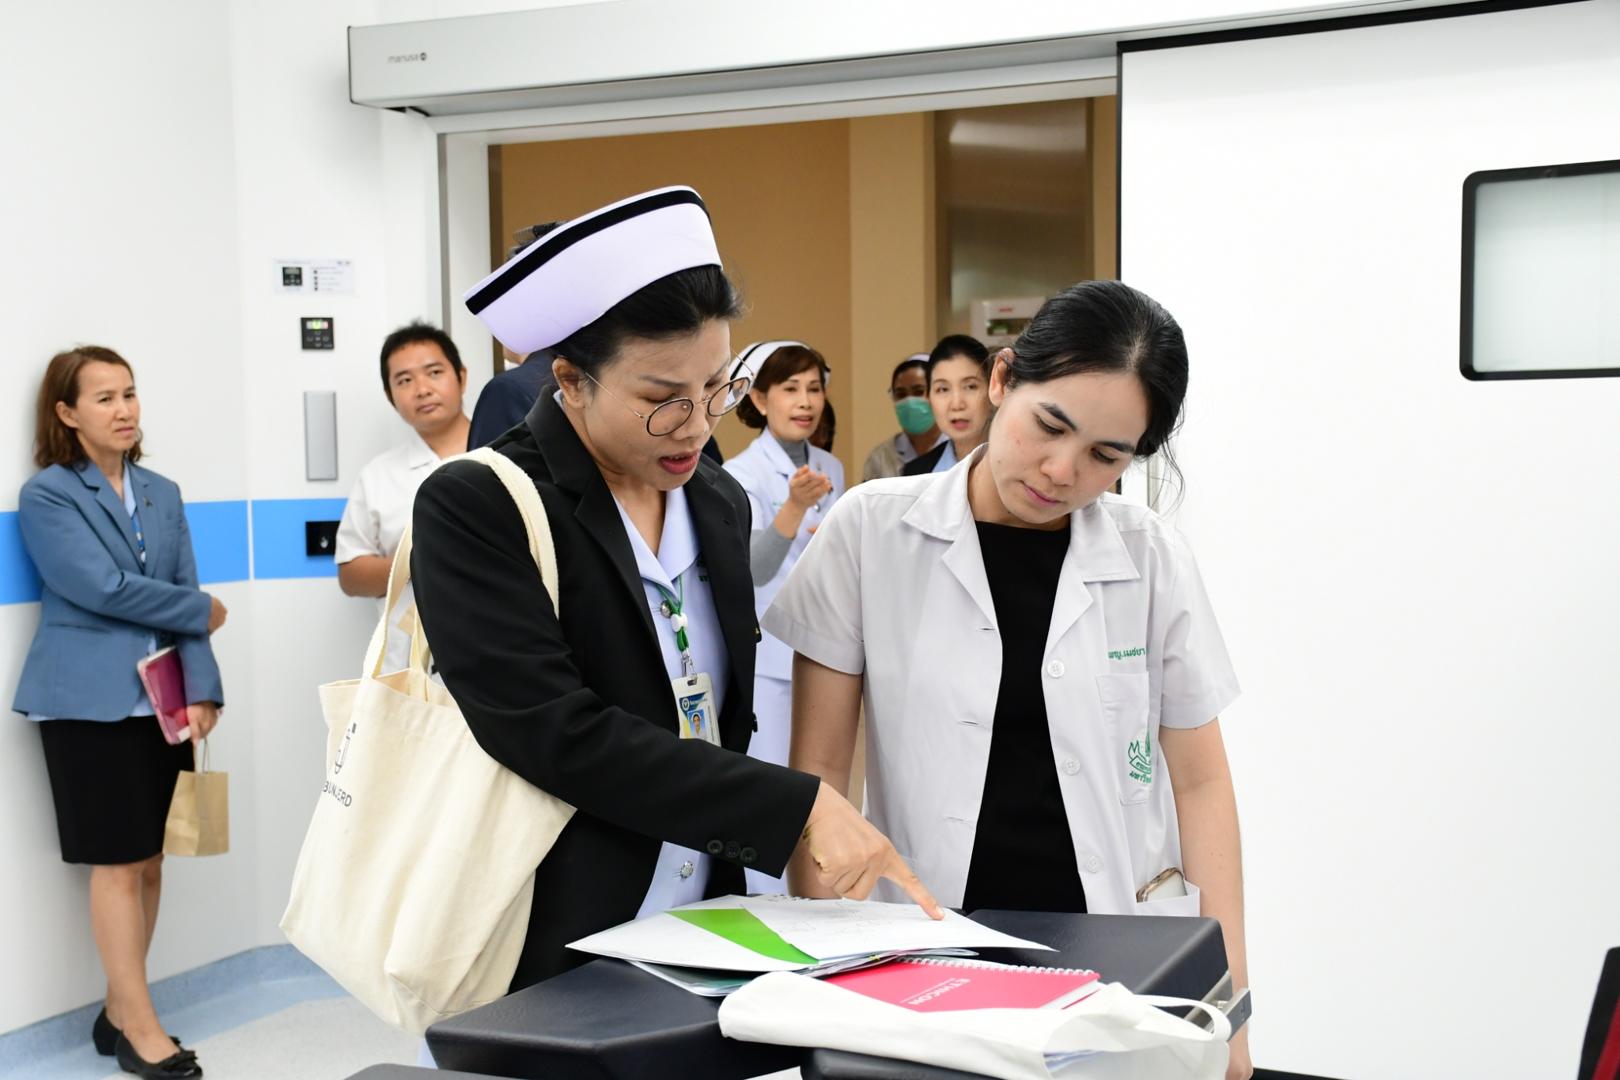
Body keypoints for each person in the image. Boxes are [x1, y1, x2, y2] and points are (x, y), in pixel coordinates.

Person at [411, 185, 940, 991]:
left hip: (706, 930)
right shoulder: (480, 503)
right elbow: (556, 734)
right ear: (571, 380)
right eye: (661, 401)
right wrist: (793, 805)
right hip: (550, 934)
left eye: (715, 389)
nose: (695, 426)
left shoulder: (716, 501)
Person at [767, 281, 1252, 1079]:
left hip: (1116, 958)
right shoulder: (871, 530)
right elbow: (819, 771)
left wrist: (1227, 1008)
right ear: (1002, 380)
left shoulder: (1150, 556)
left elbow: (1201, 786)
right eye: (1049, 426)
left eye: (1106, 456)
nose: (1062, 470)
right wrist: (826, 974)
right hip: (920, 957)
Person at [14, 347, 226, 1080]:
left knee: (154, 860)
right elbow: (98, 588)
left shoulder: (163, 492)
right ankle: (140, 1028)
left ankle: (118, 1007)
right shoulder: (47, 496)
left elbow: (183, 586)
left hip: (162, 703)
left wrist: (203, 688)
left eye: (129, 393)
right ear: (67, 413)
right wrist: (199, 609)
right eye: (103, 398)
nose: (124, 409)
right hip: (83, 703)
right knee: (116, 864)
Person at [721, 342, 844, 892]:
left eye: (814, 388)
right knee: (773, 778)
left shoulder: (830, 466)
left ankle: (818, 892)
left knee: (819, 780)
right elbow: (751, 569)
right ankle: (765, 895)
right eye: (790, 389)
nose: (805, 401)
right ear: (760, 398)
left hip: (825, 644)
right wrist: (793, 509)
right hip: (769, 653)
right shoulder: (740, 474)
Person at [335, 322, 472, 600]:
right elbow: (350, 575)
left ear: (461, 377)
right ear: (390, 396)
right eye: (405, 381)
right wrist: (420, 564)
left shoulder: (506, 452)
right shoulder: (378, 475)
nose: (422, 389)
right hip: (411, 629)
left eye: (434, 373)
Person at [901, 334, 992, 476]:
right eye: (943, 389)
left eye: (970, 387)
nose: (957, 404)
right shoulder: (915, 473)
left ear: (992, 389)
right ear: (929, 398)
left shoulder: (1019, 464)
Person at [860, 353, 944, 482]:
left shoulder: (958, 450)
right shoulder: (881, 458)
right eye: (901, 394)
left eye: (918, 391)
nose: (909, 401)